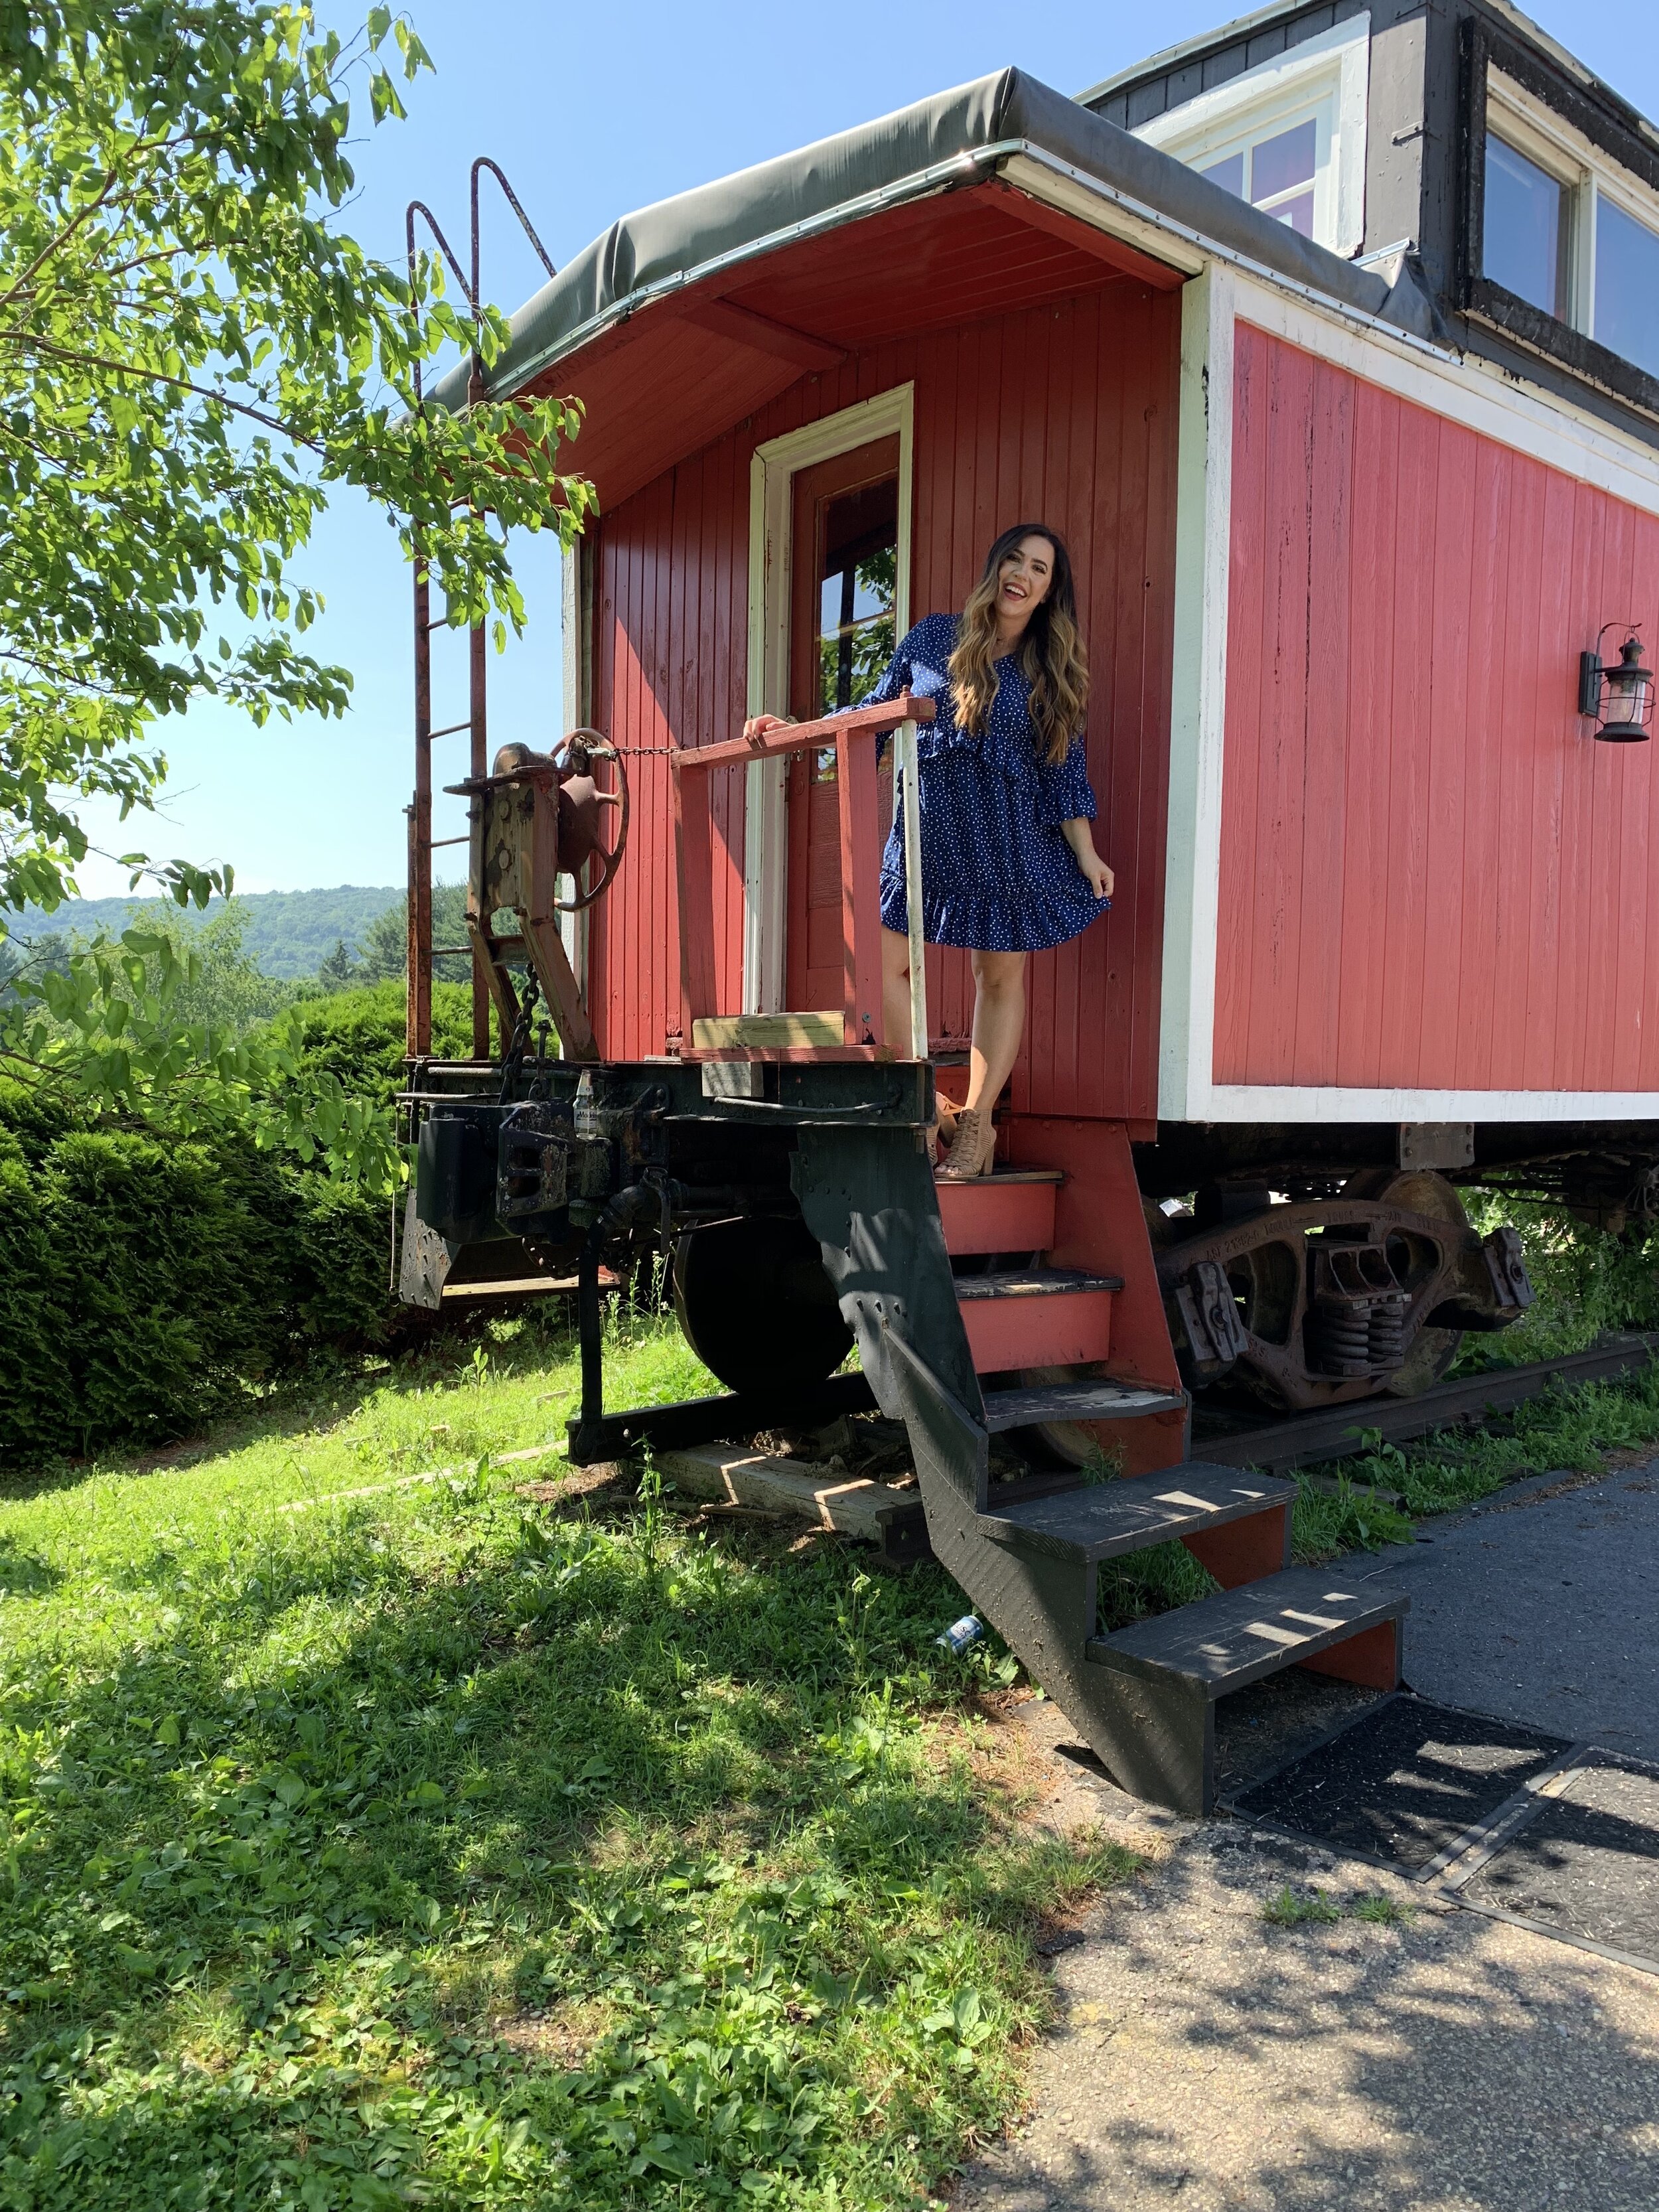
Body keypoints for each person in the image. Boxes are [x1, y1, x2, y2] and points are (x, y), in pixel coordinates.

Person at [744, 522, 1114, 1179]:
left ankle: (976, 1126)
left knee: (996, 980)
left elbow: (1062, 769)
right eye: (1014, 560)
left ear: (1050, 590)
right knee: (891, 971)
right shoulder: (930, 638)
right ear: (995, 564)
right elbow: (872, 715)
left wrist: (1083, 851)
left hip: (1007, 841)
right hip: (925, 838)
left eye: (1039, 569)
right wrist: (794, 731)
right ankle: (918, 1107)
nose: (1022, 575)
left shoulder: (1049, 671)